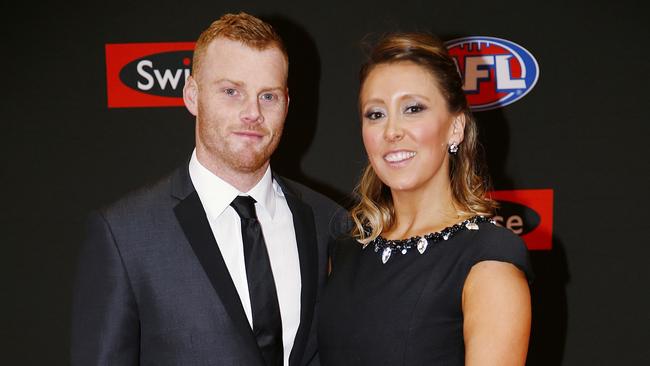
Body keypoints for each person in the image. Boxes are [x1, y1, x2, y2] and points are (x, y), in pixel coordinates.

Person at [71, 12, 345, 366]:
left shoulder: (329, 222)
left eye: (268, 96)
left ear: (287, 104)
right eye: (232, 91)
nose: (252, 113)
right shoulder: (125, 235)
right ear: (191, 95)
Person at [318, 33, 532, 365]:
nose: (391, 131)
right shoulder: (346, 250)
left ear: (455, 127)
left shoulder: (488, 259)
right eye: (375, 114)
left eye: (413, 109)